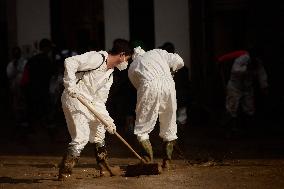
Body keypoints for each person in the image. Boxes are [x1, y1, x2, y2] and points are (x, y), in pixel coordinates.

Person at [58, 39, 133, 180]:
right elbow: (70, 62)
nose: (126, 63)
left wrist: (107, 120)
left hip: (89, 102)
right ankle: (65, 171)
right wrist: (70, 84)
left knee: (100, 129)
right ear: (122, 55)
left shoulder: (110, 74)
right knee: (82, 136)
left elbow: (99, 101)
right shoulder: (97, 58)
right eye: (127, 59)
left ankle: (104, 167)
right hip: (74, 97)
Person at [128, 46, 184, 170]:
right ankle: (167, 161)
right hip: (169, 85)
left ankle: (148, 159)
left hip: (148, 87)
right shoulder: (159, 52)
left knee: (142, 126)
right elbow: (180, 61)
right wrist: (172, 71)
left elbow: (138, 86)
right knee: (169, 122)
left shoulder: (132, 66)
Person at [217, 48, 268, 135]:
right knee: (232, 107)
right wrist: (246, 69)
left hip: (247, 88)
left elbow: (262, 74)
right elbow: (235, 70)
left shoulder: (258, 63)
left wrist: (264, 86)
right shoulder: (243, 58)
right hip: (235, 86)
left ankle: (248, 129)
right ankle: (229, 129)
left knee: (249, 108)